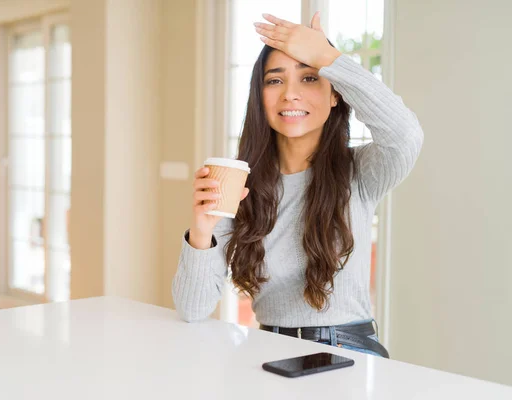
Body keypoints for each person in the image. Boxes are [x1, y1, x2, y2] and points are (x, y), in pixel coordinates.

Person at [172, 12, 423, 358]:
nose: (290, 94)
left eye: (309, 78)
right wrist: (201, 230)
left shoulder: (360, 171)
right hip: (266, 349)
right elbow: (193, 309)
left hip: (346, 349)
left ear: (335, 95)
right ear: (259, 96)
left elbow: (406, 135)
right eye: (275, 81)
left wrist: (329, 59)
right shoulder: (241, 184)